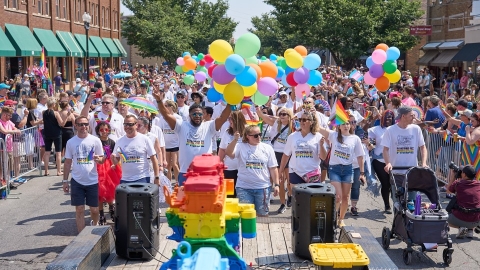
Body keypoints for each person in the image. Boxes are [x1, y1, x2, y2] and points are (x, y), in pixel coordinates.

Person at [153, 89, 231, 186]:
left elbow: (223, 117)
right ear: (189, 115)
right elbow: (166, 115)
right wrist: (159, 101)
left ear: (203, 115)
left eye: (200, 114)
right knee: (185, 201)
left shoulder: (209, 126)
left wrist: (230, 103)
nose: (197, 116)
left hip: (205, 173)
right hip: (185, 173)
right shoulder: (181, 126)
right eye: (194, 114)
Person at [317, 114, 365, 227]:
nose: (346, 126)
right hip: (334, 169)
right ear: (338, 126)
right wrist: (312, 111)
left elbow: (360, 157)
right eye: (343, 124)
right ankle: (333, 218)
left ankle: (341, 219)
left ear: (351, 125)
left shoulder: (355, 139)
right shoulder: (333, 135)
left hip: (348, 170)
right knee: (338, 196)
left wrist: (362, 173)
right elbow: (318, 128)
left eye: (348, 123)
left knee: (345, 197)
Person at [225, 125, 280, 217]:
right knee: (245, 216)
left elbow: (273, 167)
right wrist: (235, 140)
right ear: (247, 136)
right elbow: (229, 153)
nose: (258, 137)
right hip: (243, 187)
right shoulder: (240, 146)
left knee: (263, 215)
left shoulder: (268, 148)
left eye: (260, 134)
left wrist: (277, 184)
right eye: (255, 135)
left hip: (263, 187)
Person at [63, 116, 105, 233]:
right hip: (77, 180)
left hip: (92, 180)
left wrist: (99, 159)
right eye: (80, 124)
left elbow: (102, 159)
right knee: (79, 209)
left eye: (86, 124)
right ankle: (81, 235)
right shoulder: (71, 142)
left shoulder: (95, 140)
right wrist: (65, 181)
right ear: (75, 126)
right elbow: (67, 162)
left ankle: (95, 226)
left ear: (89, 126)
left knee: (95, 209)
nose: (83, 127)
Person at [256, 106, 293, 213]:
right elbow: (262, 116)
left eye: (284, 114)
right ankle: (282, 204)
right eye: (280, 114)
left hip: (289, 155)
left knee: (290, 182)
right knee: (280, 181)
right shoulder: (276, 123)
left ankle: (290, 195)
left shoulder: (294, 126)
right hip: (276, 153)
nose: (281, 116)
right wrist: (258, 109)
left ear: (289, 116)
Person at [279, 110, 326, 188]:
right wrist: (280, 171)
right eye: (300, 120)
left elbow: (323, 157)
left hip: (312, 174)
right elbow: (286, 155)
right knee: (297, 198)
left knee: (311, 198)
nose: (301, 122)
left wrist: (321, 145)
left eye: (304, 120)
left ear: (311, 122)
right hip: (295, 172)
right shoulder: (292, 136)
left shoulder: (318, 136)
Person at [111, 115, 160, 184]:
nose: (127, 127)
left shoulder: (145, 139)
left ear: (136, 125)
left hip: (142, 178)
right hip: (125, 179)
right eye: (125, 124)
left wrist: (157, 177)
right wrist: (113, 159)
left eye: (130, 124)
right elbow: (116, 161)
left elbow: (154, 159)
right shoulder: (119, 141)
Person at [368, 110, 395, 213]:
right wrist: (371, 119)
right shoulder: (376, 130)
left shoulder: (396, 129)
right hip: (379, 161)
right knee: (386, 184)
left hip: (393, 162)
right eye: (387, 117)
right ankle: (387, 205)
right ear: (382, 118)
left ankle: (396, 204)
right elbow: (364, 132)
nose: (389, 119)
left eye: (390, 117)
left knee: (393, 185)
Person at [94, 121, 121, 225]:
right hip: (100, 166)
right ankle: (101, 213)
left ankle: (112, 207)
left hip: (110, 166)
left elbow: (115, 155)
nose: (104, 132)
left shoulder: (112, 142)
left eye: (106, 130)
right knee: (100, 191)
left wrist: (115, 163)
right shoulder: (97, 141)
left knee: (111, 188)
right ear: (98, 131)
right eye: (101, 130)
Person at [218, 111, 247, 198]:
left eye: (231, 118)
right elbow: (222, 149)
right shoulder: (227, 132)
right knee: (230, 194)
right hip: (229, 167)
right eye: (228, 118)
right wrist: (219, 164)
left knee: (243, 194)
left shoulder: (247, 131)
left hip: (244, 168)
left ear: (238, 120)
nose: (229, 120)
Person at [447, 165, 480, 239]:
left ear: (464, 174)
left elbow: (448, 191)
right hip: (476, 220)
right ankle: (470, 230)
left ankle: (461, 227)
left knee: (445, 220)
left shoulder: (458, 184)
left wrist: (453, 176)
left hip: (459, 219)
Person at [152, 100, 182, 181]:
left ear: (171, 107)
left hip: (176, 144)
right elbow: (160, 131)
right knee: (168, 165)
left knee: (175, 164)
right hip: (166, 144)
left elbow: (180, 130)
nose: (164, 107)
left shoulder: (178, 117)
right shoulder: (162, 118)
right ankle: (168, 184)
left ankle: (179, 182)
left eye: (166, 106)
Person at [43, 98, 70, 176]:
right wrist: (67, 117)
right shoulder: (56, 113)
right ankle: (58, 171)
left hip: (47, 133)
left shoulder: (44, 112)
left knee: (47, 152)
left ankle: (46, 171)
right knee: (58, 152)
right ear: (53, 105)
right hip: (56, 133)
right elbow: (62, 124)